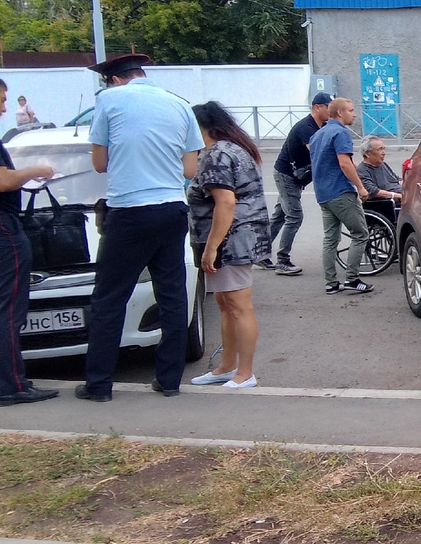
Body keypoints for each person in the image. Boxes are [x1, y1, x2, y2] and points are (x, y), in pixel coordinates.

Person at [77, 53, 204, 402]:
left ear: (116, 80)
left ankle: (99, 384)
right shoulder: (180, 105)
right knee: (172, 295)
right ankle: (169, 380)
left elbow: (99, 163)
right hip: (172, 208)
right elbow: (190, 170)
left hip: (129, 210)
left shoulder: (109, 100)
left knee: (109, 298)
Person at [186, 102, 271, 389]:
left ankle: (244, 372)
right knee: (226, 303)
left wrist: (212, 247)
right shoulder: (231, 149)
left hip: (232, 240)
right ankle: (227, 366)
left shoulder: (217, 154)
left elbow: (226, 202)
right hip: (236, 237)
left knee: (238, 306)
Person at [0, 79, 59, 408]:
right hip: (4, 230)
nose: (4, 108)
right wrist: (36, 170)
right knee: (8, 310)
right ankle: (11, 385)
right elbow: (3, 181)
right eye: (1, 100)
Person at [263, 91, 333, 276]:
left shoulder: (321, 125)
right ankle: (282, 261)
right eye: (329, 107)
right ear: (317, 107)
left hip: (294, 177)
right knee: (294, 216)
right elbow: (318, 153)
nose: (331, 111)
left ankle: (260, 253)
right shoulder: (306, 128)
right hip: (287, 176)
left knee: (279, 216)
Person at [310, 97, 373, 295]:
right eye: (351, 110)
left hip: (323, 193)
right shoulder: (340, 132)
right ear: (340, 113)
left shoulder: (318, 134)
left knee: (330, 238)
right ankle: (352, 279)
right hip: (340, 191)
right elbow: (344, 163)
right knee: (360, 234)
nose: (354, 114)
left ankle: (331, 283)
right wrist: (361, 187)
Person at [356, 136, 402, 205]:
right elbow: (373, 191)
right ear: (367, 154)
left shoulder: (382, 164)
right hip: (390, 201)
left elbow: (396, 179)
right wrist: (395, 195)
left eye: (384, 149)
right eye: (379, 149)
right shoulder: (362, 170)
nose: (384, 153)